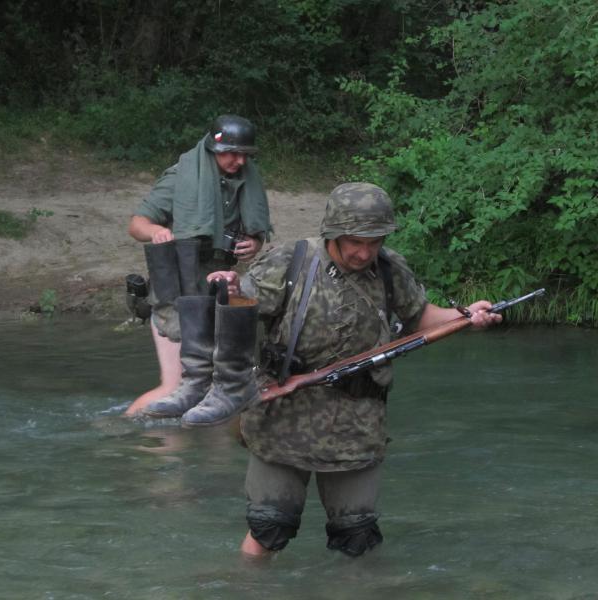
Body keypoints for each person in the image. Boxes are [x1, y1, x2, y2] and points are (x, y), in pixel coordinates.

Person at [146, 182, 502, 557]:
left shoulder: (389, 268)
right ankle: (245, 584)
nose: (364, 252)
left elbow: (421, 316)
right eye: (355, 241)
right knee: (269, 527)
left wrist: (465, 316)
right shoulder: (291, 261)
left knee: (358, 535)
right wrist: (231, 289)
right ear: (333, 232)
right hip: (283, 418)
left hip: (357, 424)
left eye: (374, 241)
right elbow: (241, 309)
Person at [124, 115, 272, 416]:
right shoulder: (181, 176)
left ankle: (196, 445)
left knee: (217, 389)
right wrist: (157, 231)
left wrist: (254, 244)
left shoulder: (245, 181)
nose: (240, 161)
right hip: (178, 290)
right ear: (214, 148)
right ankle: (121, 430)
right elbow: (137, 224)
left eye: (244, 154)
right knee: (173, 388)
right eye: (232, 153)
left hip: (218, 289)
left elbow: (253, 230)